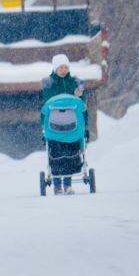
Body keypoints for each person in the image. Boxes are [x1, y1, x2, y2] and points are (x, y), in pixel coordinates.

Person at [41, 54, 87, 195]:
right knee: (56, 156)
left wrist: (80, 94)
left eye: (66, 67)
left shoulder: (74, 83)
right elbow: (46, 103)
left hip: (71, 127)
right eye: (61, 67)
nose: (63, 70)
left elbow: (82, 105)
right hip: (55, 127)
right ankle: (57, 185)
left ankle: (67, 184)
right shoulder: (50, 84)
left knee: (70, 156)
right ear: (55, 68)